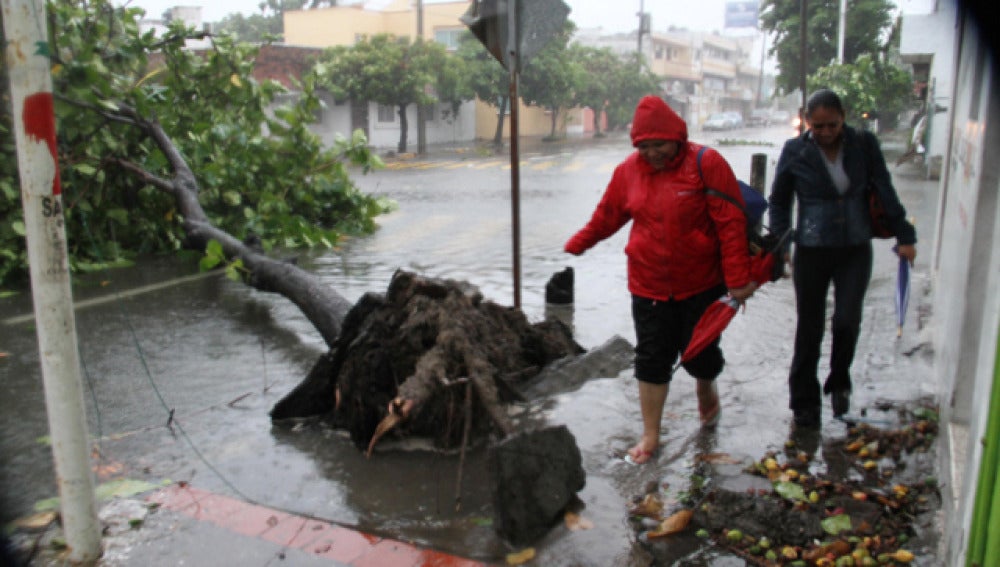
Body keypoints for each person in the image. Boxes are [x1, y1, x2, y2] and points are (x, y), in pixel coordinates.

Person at [564, 95, 757, 465]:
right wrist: (580, 243)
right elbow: (608, 216)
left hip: (701, 283)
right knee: (651, 358)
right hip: (648, 284)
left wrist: (737, 280)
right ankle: (650, 436)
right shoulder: (628, 172)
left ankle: (706, 388)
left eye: (659, 145)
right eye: (644, 147)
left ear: (678, 138)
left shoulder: (706, 163)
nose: (651, 153)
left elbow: (730, 224)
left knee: (700, 354)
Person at [768, 89, 917, 429]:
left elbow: (885, 188)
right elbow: (778, 202)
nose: (824, 133)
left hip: (854, 248)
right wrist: (782, 242)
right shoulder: (795, 151)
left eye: (831, 125)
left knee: (848, 321)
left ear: (843, 117)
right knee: (809, 327)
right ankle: (803, 401)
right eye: (817, 126)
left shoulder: (864, 145)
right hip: (812, 250)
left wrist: (905, 235)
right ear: (807, 122)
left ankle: (839, 382)